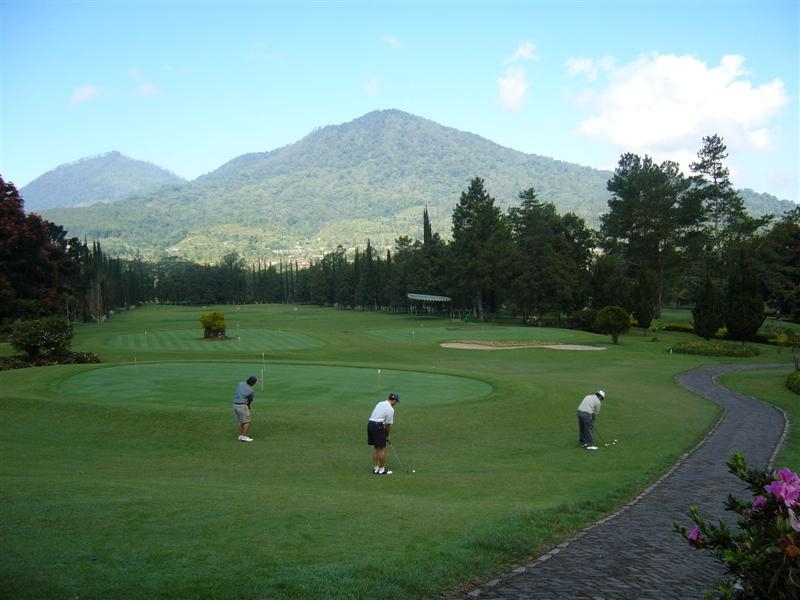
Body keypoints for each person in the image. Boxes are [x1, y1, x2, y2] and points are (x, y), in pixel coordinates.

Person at [367, 392, 400, 474]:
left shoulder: (380, 403)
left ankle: (375, 468)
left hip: (370, 424)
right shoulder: (391, 409)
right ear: (394, 400)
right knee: (382, 448)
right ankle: (381, 470)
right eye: (396, 402)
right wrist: (387, 435)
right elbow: (388, 425)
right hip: (378, 426)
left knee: (376, 447)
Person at [232, 375, 258, 442]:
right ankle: (244, 436)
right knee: (247, 422)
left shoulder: (241, 383)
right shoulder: (251, 390)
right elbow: (250, 400)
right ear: (252, 383)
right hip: (242, 406)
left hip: (234, 405)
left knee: (242, 421)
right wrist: (248, 406)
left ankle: (241, 435)